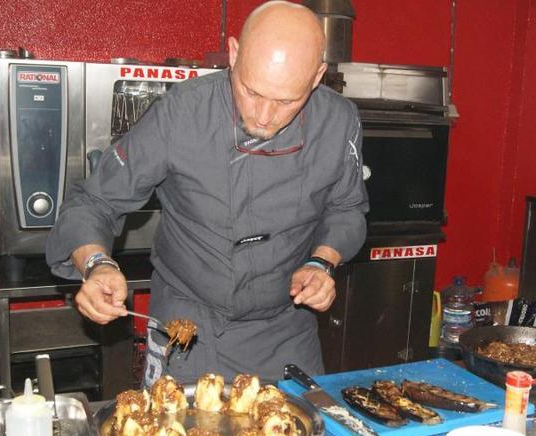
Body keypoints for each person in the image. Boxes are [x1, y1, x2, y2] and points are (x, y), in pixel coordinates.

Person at [46, 1, 368, 385]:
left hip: (285, 334)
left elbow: (347, 210)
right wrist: (97, 263)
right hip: (188, 333)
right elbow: (93, 201)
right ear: (233, 54)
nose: (264, 116)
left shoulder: (339, 121)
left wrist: (322, 262)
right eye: (251, 91)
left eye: (286, 101)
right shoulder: (181, 113)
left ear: (317, 77)